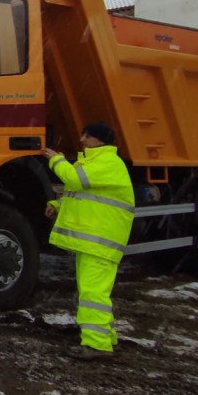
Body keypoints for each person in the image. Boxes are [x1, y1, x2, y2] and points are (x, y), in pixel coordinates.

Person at [42, 121, 134, 361]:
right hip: (95, 242)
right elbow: (85, 197)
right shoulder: (98, 163)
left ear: (99, 140)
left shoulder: (108, 163)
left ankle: (97, 346)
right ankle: (104, 337)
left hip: (100, 243)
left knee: (94, 294)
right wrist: (58, 205)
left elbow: (74, 180)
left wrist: (56, 160)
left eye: (87, 135)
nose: (82, 139)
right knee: (93, 292)